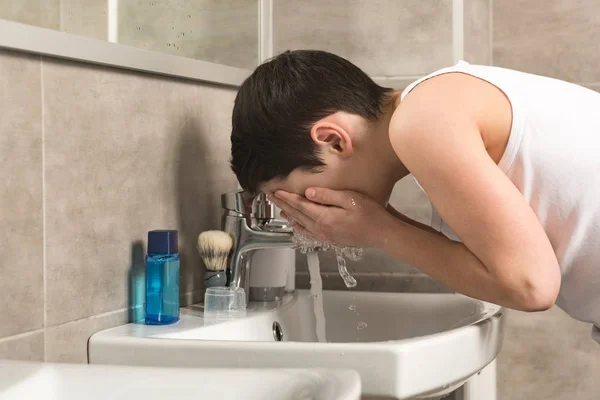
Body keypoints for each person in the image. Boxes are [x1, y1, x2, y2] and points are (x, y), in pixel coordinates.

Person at [229, 49, 600, 342]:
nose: (307, 214)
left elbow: (531, 287)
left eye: (301, 196)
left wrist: (379, 231)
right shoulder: (434, 105)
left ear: (332, 140)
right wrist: (378, 224)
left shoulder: (421, 123)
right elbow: (508, 265)